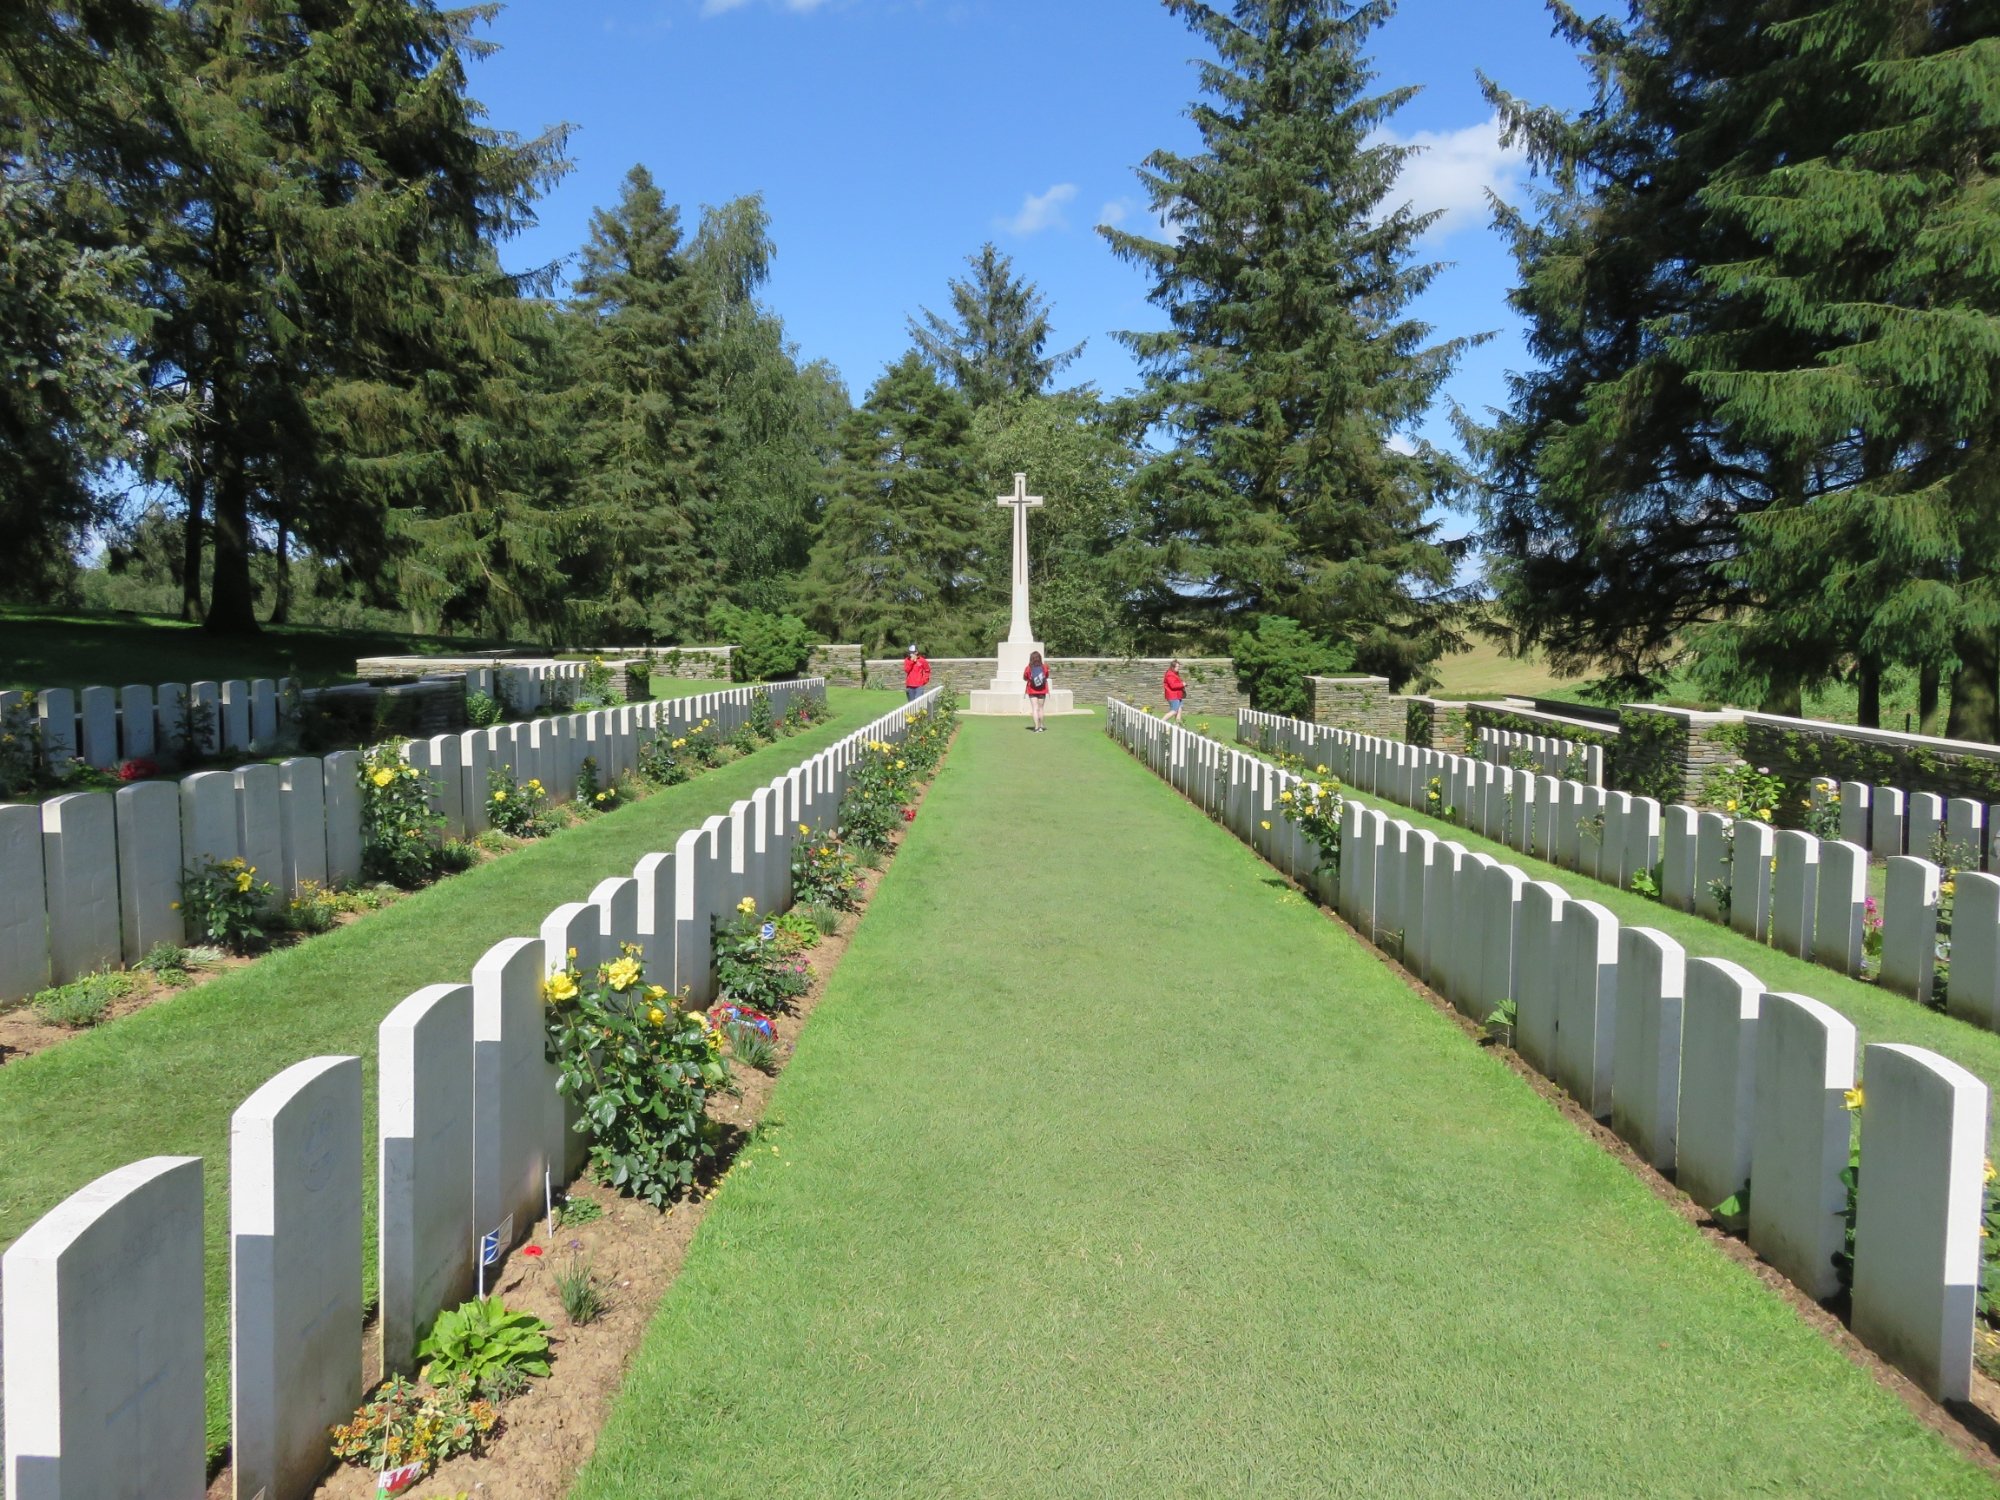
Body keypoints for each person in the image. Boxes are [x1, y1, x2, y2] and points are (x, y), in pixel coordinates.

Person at [1023, 650, 1050, 732]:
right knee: (1041, 708)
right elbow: (1046, 676)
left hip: (1032, 690)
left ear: (1031, 659)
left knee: (1035, 708)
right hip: (1042, 690)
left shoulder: (1028, 668)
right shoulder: (1045, 667)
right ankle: (1041, 727)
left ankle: (1036, 727)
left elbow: (1025, 678)